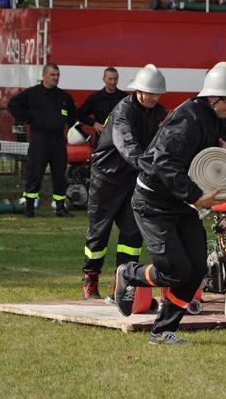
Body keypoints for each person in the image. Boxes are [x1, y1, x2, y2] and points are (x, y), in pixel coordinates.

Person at [114, 61, 226, 345]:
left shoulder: (219, 116)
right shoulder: (188, 118)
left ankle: (162, 331)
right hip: (153, 203)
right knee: (176, 270)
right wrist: (196, 196)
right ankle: (128, 272)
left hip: (182, 203)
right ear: (213, 97)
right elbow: (165, 161)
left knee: (197, 269)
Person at [80, 65, 167, 300]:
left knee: (132, 234)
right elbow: (127, 145)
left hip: (134, 179)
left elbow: (166, 143)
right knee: (98, 233)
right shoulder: (123, 111)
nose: (154, 98)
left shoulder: (160, 112)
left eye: (158, 94)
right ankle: (90, 277)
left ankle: (124, 283)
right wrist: (149, 167)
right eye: (150, 93)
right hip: (106, 178)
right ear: (138, 90)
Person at [8, 63, 78, 218]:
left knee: (60, 176)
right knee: (35, 174)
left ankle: (60, 208)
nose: (56, 78)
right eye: (53, 75)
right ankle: (29, 208)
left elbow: (73, 115)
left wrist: (71, 128)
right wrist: (29, 118)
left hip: (58, 140)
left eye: (58, 75)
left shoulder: (64, 96)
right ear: (44, 75)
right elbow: (12, 105)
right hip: (39, 139)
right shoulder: (32, 94)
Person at [76, 67, 127, 144]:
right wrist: (94, 124)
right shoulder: (95, 98)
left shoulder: (125, 98)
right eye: (110, 79)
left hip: (121, 142)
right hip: (101, 141)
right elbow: (80, 114)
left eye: (115, 79)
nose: (113, 82)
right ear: (104, 79)